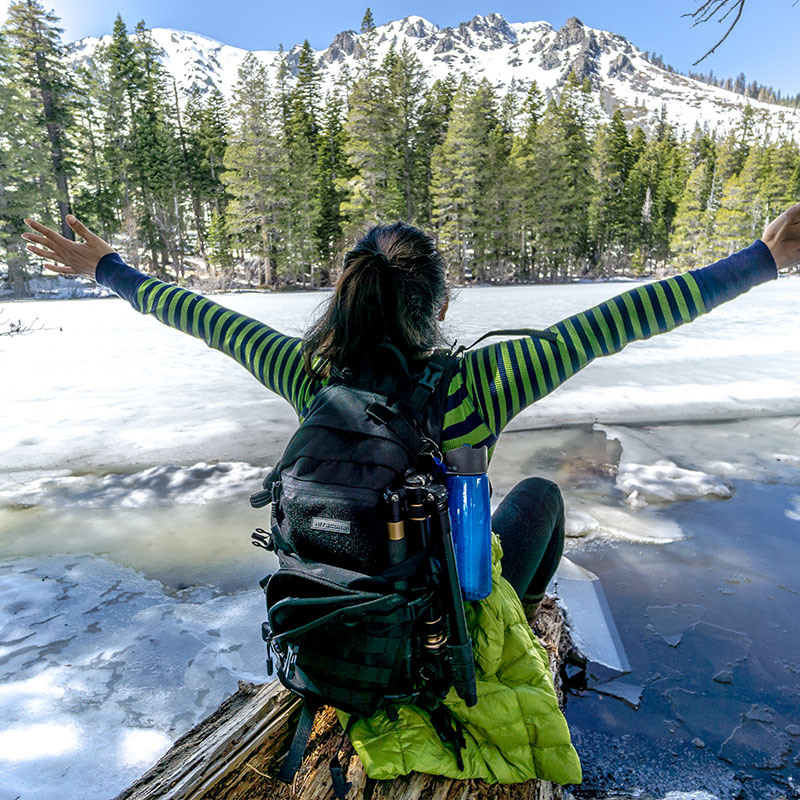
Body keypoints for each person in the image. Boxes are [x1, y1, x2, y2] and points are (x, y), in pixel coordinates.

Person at [21, 202, 800, 785]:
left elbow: (200, 316)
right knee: (538, 499)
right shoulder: (481, 382)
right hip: (433, 642)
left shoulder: (307, 373)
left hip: (327, 619)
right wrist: (763, 258)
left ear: (347, 298)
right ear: (441, 308)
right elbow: (622, 318)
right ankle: (507, 628)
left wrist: (108, 269)